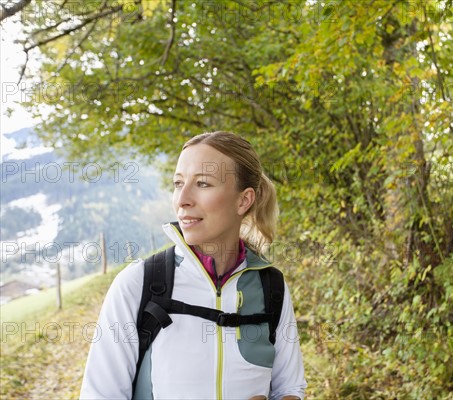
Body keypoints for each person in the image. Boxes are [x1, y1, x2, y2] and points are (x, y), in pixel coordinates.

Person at [80, 131, 307, 399]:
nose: (182, 199)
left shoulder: (271, 287)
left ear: (243, 200)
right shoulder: (138, 284)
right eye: (178, 183)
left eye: (203, 184)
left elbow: (290, 389)